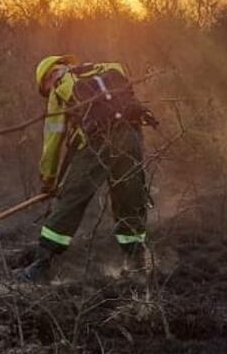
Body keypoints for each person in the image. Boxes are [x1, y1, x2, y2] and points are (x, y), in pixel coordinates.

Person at [16, 55, 157, 282]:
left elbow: (53, 139)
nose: (48, 89)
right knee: (129, 197)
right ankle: (137, 264)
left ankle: (42, 266)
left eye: (45, 87)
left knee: (71, 199)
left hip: (98, 143)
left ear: (49, 77)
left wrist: (49, 179)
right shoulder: (108, 67)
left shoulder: (60, 88)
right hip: (130, 137)